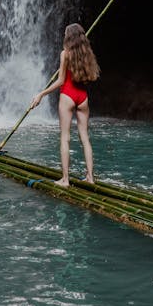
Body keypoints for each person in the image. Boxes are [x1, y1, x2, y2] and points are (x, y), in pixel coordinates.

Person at [30, 23, 100, 187]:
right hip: (82, 97)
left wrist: (41, 94)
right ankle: (90, 177)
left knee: (65, 138)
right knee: (85, 138)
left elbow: (61, 80)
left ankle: (65, 179)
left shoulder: (65, 54)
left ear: (68, 37)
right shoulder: (87, 54)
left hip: (68, 95)